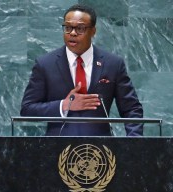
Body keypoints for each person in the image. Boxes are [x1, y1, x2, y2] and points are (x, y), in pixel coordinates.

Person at [20, 4, 143, 136]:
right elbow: (27, 109)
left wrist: (133, 142)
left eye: (80, 28)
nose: (72, 33)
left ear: (93, 31)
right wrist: (64, 105)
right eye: (68, 28)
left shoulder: (113, 64)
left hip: (102, 148)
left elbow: (131, 109)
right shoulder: (45, 64)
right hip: (56, 148)